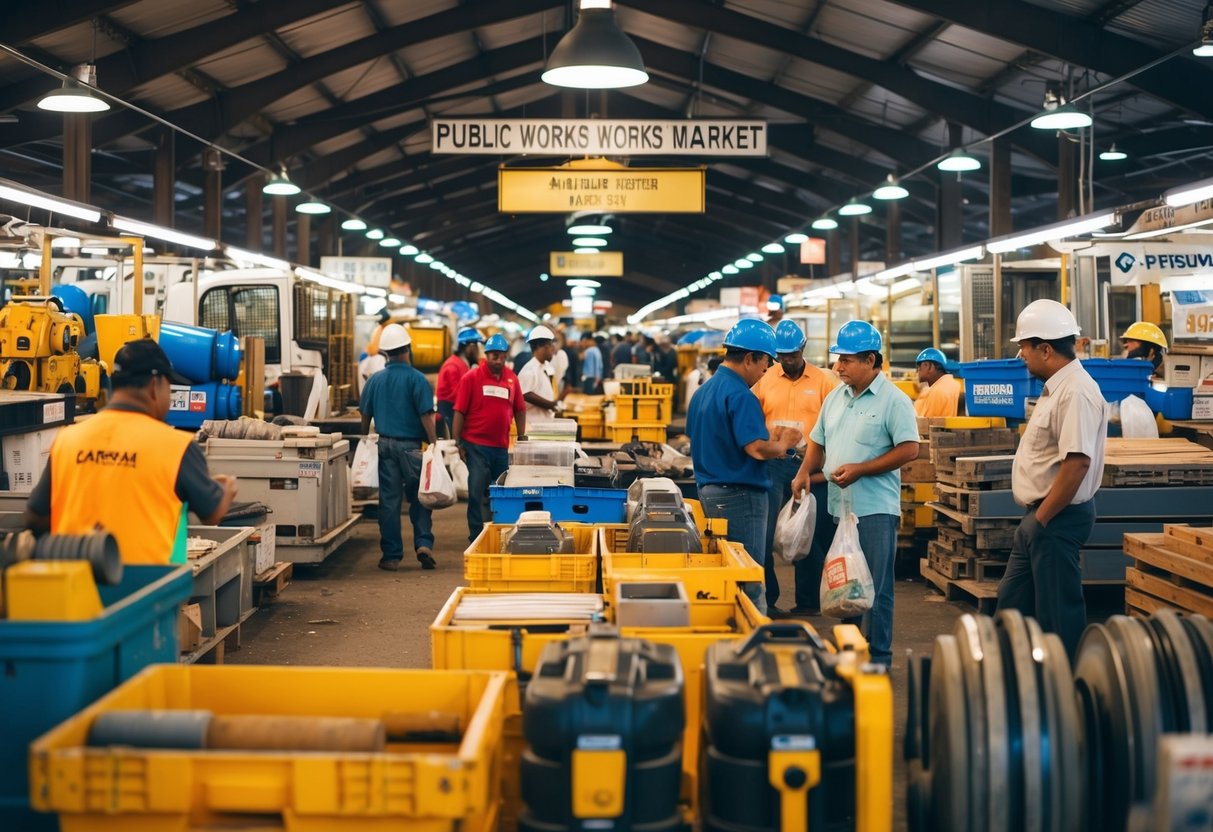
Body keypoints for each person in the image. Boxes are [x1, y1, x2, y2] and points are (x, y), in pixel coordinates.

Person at [24, 338, 238, 564]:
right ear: (155, 385)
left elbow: (35, 517)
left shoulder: (67, 439)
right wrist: (226, 490)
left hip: (74, 589)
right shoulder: (177, 446)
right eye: (170, 388)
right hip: (147, 591)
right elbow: (212, 513)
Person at [791, 321, 919, 667]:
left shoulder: (894, 401)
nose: (838, 367)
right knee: (848, 584)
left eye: (846, 360)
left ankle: (879, 656)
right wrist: (804, 472)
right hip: (839, 507)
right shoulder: (835, 397)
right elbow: (817, 441)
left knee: (877, 586)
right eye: (838, 360)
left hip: (874, 510)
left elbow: (909, 450)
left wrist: (861, 469)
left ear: (871, 360)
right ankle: (852, 648)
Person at [996, 299, 1107, 659]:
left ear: (1045, 348)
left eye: (1024, 348)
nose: (1021, 356)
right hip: (1041, 518)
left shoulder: (1076, 392)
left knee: (1058, 618)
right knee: (1011, 609)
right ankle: (1008, 684)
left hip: (1056, 518)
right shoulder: (1056, 389)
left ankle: (1069, 695)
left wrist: (1041, 520)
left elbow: (1077, 464)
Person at [688, 319, 803, 613]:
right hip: (741, 497)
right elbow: (755, 447)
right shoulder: (740, 395)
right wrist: (784, 442)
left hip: (709, 492)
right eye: (765, 362)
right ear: (750, 357)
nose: (767, 370)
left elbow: (715, 440)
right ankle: (753, 636)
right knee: (749, 575)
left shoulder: (704, 391)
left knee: (728, 568)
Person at [753, 320, 839, 618]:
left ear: (802, 348)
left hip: (811, 463)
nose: (785, 360)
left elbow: (836, 419)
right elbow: (752, 413)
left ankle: (809, 601)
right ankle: (770, 599)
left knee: (810, 532)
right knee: (764, 534)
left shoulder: (824, 380)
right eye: (780, 355)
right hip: (774, 465)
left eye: (791, 354)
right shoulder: (765, 379)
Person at [359, 324, 438, 572]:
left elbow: (365, 414)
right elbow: (426, 415)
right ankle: (423, 543)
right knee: (421, 497)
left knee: (390, 502)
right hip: (411, 448)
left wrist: (364, 439)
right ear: (407, 349)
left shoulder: (375, 379)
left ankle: (391, 556)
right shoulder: (417, 379)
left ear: (386, 352)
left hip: (385, 445)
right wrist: (434, 444)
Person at [454, 334, 526, 543]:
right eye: (495, 356)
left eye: (502, 356)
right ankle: (476, 535)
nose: (499, 360)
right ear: (486, 356)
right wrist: (457, 442)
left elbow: (519, 409)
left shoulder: (512, 379)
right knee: (476, 491)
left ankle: (498, 531)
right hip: (476, 446)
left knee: (500, 492)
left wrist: (521, 436)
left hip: (500, 447)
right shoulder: (471, 378)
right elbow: (459, 411)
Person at [435, 328, 484, 437]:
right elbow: (460, 396)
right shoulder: (453, 366)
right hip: (450, 416)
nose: (478, 351)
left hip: (456, 414)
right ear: (471, 346)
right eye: (476, 346)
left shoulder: (462, 364)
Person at [518, 325, 564, 424]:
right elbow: (525, 394)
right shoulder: (529, 370)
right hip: (532, 425)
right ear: (540, 347)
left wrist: (555, 402)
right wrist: (551, 405)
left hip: (545, 422)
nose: (553, 351)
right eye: (551, 346)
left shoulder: (547, 366)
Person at [913, 347, 962, 418]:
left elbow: (924, 423)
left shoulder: (936, 391)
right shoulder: (955, 384)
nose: (918, 371)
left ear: (930, 367)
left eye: (920, 366)